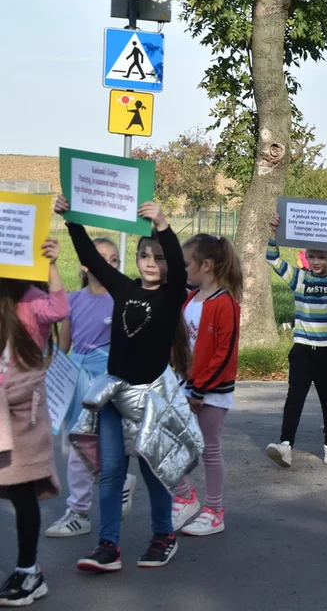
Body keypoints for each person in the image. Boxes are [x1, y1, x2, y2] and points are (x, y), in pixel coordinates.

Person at [57, 194, 194, 572]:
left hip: (151, 400)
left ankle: (163, 536)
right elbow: (94, 256)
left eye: (158, 258)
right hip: (115, 396)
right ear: (135, 261)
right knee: (112, 470)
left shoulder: (172, 294)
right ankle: (108, 546)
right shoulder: (123, 289)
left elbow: (179, 268)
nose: (151, 263)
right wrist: (71, 220)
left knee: (152, 471)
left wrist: (163, 226)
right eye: (144, 257)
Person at [0, 236, 69, 604]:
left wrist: (52, 264)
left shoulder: (30, 300)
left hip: (22, 417)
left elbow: (59, 309)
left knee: (21, 493)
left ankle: (29, 572)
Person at [48, 237, 130, 539]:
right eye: (101, 258)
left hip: (105, 382)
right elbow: (65, 345)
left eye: (114, 260)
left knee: (97, 444)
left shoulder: (120, 299)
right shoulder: (73, 299)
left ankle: (93, 501)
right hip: (77, 381)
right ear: (84, 264)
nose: (108, 264)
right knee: (75, 446)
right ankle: (83, 508)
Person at [170, 234, 243, 536]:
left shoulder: (225, 303)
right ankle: (185, 496)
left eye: (187, 264)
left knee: (210, 449)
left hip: (210, 391)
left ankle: (214, 510)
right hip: (183, 386)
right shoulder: (189, 299)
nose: (182, 268)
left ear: (207, 265)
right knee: (168, 445)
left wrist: (199, 389)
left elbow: (223, 352)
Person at [265, 213, 327, 468]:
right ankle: (286, 444)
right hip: (302, 348)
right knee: (294, 398)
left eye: (321, 257)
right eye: (311, 256)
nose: (315, 261)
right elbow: (273, 258)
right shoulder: (299, 278)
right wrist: (274, 234)